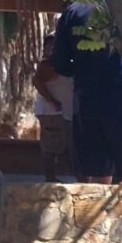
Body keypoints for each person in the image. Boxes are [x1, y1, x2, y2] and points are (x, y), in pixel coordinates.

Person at [51, 2, 122, 182]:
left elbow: (60, 63)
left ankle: (102, 208)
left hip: (88, 96)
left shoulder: (72, 12)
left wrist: (83, 67)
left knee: (98, 170)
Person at [33, 34, 74, 177]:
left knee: (61, 145)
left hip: (63, 114)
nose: (51, 48)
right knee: (51, 146)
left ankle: (56, 176)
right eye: (48, 45)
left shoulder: (64, 63)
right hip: (52, 113)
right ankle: (50, 177)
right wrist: (52, 100)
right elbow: (37, 81)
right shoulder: (48, 65)